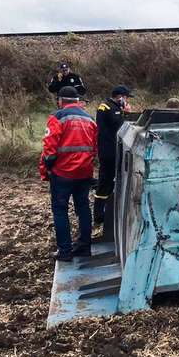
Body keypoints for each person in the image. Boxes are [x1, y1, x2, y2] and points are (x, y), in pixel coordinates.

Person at [39, 86, 97, 261]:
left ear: (60, 100)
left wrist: (47, 168)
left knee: (60, 211)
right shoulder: (90, 119)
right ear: (77, 100)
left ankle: (65, 251)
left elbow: (49, 148)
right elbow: (95, 147)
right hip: (84, 172)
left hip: (62, 172)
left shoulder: (57, 117)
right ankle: (85, 247)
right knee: (83, 208)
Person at [94, 85, 133, 224]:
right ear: (120, 97)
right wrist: (126, 113)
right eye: (126, 98)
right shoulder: (107, 107)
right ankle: (99, 214)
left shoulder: (113, 107)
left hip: (114, 150)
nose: (127, 101)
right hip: (108, 151)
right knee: (106, 181)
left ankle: (109, 211)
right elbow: (120, 127)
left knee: (112, 181)